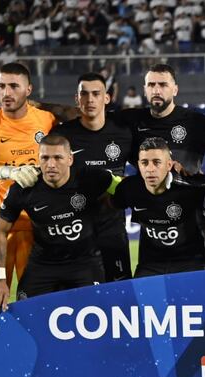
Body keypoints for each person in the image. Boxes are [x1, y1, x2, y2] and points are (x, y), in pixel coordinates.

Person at [0, 135, 116, 312]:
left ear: (70, 159)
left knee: (96, 315)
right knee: (27, 315)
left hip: (85, 263)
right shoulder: (23, 188)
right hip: (43, 265)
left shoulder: (91, 178)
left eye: (58, 158)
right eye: (45, 158)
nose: (51, 164)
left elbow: (127, 189)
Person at [0, 62, 58, 287]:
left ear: (29, 89)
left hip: (36, 227)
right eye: (1, 86)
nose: (6, 93)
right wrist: (9, 172)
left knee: (38, 301)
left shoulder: (47, 120)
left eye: (14, 86)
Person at [51, 72, 135, 282]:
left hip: (112, 230)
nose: (90, 100)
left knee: (120, 297)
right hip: (73, 232)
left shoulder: (124, 134)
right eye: (84, 94)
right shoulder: (62, 135)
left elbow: (148, 170)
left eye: (96, 94)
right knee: (75, 298)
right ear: (77, 99)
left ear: (106, 98)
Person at [116, 63, 205, 174]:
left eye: (163, 85)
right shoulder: (131, 120)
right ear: (145, 90)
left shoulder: (194, 122)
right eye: (151, 85)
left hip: (187, 200)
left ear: (175, 90)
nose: (156, 90)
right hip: (145, 203)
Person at [112, 137, 205, 276]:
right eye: (144, 163)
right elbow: (111, 206)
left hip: (190, 262)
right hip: (150, 264)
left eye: (157, 162)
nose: (150, 169)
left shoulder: (192, 188)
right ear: (139, 165)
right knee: (140, 298)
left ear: (169, 164)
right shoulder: (129, 188)